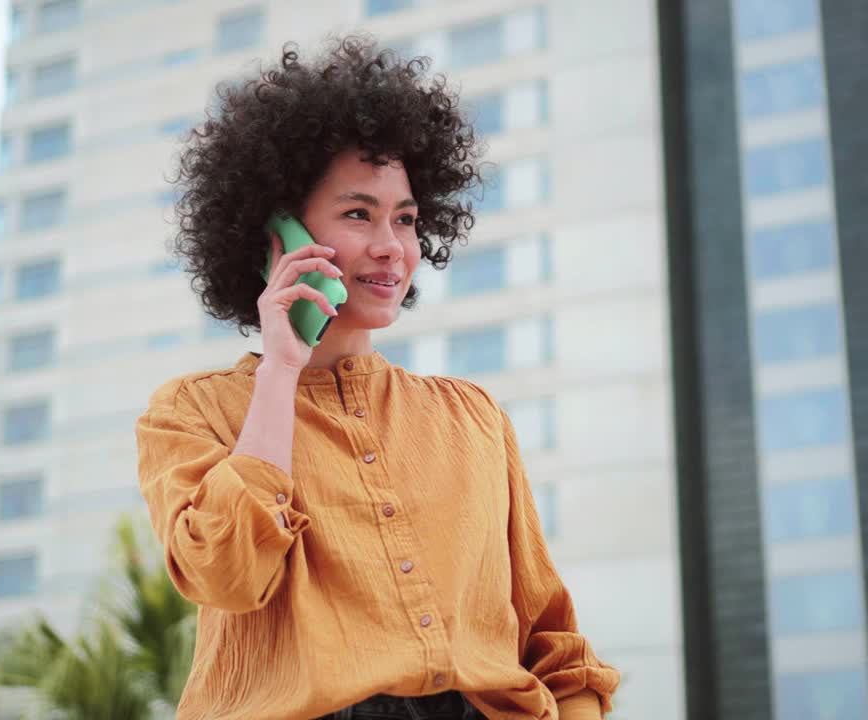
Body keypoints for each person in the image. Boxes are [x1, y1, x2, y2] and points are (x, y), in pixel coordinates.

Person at [135, 35, 620, 720]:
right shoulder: (190, 412)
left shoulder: (473, 418)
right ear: (277, 236)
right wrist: (281, 369)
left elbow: (554, 644)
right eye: (358, 214)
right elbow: (229, 574)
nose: (391, 246)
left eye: (407, 219)